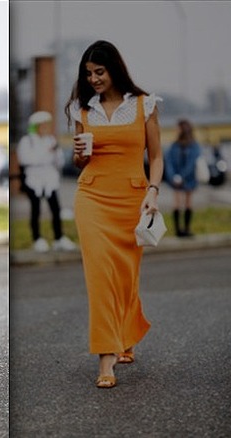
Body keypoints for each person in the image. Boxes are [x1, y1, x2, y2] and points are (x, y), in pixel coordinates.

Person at [65, 40, 163, 389]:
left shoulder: (144, 105)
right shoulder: (82, 111)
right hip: (91, 196)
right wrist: (78, 154)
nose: (93, 79)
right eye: (88, 73)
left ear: (115, 70)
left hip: (133, 198)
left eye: (100, 72)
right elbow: (81, 162)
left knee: (125, 274)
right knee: (100, 276)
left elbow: (157, 157)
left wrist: (153, 191)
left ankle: (128, 331)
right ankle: (106, 358)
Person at [16, 111, 76, 252]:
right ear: (36, 126)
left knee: (55, 209)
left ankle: (59, 238)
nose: (46, 128)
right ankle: (37, 239)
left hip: (50, 180)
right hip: (34, 180)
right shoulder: (27, 141)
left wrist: (55, 153)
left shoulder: (50, 140)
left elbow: (59, 162)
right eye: (43, 125)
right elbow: (26, 160)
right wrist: (47, 153)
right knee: (35, 210)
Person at [164, 119, 202, 237]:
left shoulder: (194, 146)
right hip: (176, 179)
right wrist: (173, 177)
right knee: (177, 203)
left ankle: (186, 229)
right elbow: (168, 162)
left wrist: (181, 176)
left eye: (177, 128)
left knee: (188, 203)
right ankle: (178, 230)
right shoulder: (174, 146)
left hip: (189, 179)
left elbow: (192, 164)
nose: (175, 130)